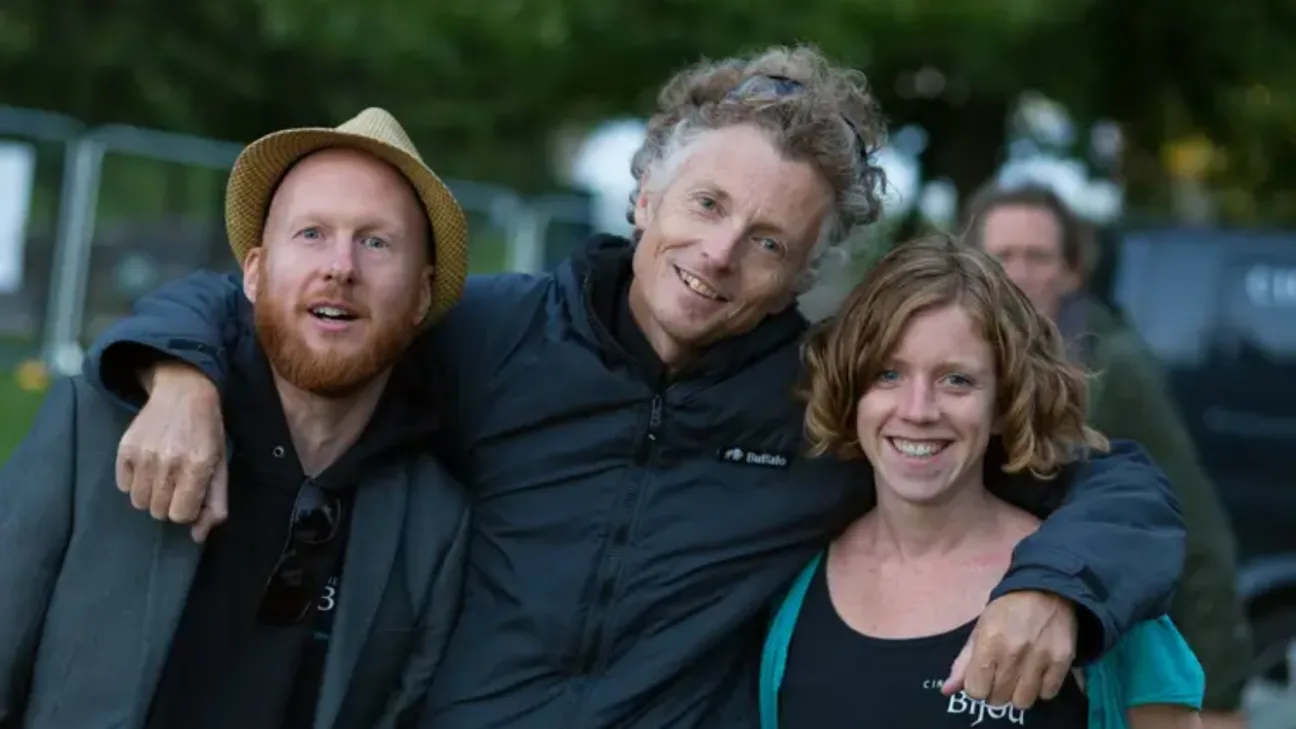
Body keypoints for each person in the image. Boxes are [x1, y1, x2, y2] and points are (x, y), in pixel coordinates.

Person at [83, 47, 1184, 729]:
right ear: (645, 192)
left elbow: (1117, 484)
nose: (720, 253)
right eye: (706, 205)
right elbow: (292, 305)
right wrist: (181, 376)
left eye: (769, 241)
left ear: (807, 271)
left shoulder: (830, 399)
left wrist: (1055, 589)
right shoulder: (494, 333)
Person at [0, 107, 471, 729]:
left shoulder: (435, 522)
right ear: (253, 272)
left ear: (421, 295)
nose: (341, 266)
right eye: (311, 233)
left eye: (376, 242)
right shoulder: (96, 428)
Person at [760, 236, 1204, 729]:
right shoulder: (786, 581)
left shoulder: (1094, 591)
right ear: (852, 392)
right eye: (888, 374)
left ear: (1003, 404)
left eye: (957, 380)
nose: (918, 410)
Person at [963, 181, 1251, 728]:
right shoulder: (953, 365)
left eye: (1038, 256)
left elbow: (1191, 526)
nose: (1018, 273)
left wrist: (1218, 692)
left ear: (1071, 271)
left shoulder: (1111, 370)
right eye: (1002, 255)